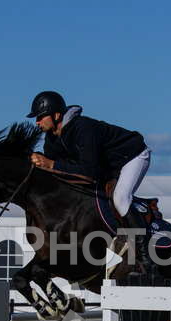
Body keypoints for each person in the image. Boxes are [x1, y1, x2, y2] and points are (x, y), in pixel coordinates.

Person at [26, 91, 153, 265]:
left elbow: (88, 172)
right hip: (107, 166)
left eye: (41, 117)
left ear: (56, 115)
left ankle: (146, 257)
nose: (37, 122)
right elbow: (59, 173)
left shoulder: (83, 128)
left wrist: (52, 165)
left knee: (120, 198)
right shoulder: (51, 139)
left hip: (132, 156)